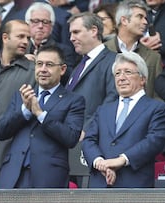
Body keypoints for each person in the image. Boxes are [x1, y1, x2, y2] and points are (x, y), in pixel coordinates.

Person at [0, 45, 85, 188]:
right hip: (13, 175)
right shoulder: (22, 95)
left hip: (48, 177)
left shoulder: (74, 100)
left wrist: (40, 114)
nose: (43, 69)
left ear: (62, 69)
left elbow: (71, 138)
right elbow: (1, 132)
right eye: (39, 64)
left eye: (49, 65)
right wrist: (25, 110)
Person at [82, 51, 165, 188]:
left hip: (134, 184)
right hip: (100, 183)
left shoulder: (157, 108)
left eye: (127, 72)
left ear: (143, 79)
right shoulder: (103, 109)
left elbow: (155, 140)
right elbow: (89, 140)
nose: (121, 78)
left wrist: (122, 160)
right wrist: (99, 162)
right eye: (117, 73)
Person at [0, 19, 36, 183]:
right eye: (20, 36)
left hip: (12, 154)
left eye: (28, 38)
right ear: (5, 38)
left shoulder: (34, 71)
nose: (25, 41)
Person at [67, 12, 118, 187]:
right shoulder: (79, 66)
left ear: (94, 30)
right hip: (71, 147)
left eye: (76, 32)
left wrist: (88, 129)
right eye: (70, 33)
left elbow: (112, 100)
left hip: (93, 146)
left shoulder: (113, 61)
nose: (71, 38)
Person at [105, 0, 162, 98]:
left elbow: (158, 95)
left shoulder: (154, 58)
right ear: (124, 20)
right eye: (140, 17)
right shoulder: (103, 50)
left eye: (145, 18)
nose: (145, 22)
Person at [24, 2, 75, 85]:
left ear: (52, 26)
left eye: (45, 22)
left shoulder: (64, 50)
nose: (40, 26)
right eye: (36, 21)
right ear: (27, 24)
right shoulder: (20, 48)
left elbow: (70, 77)